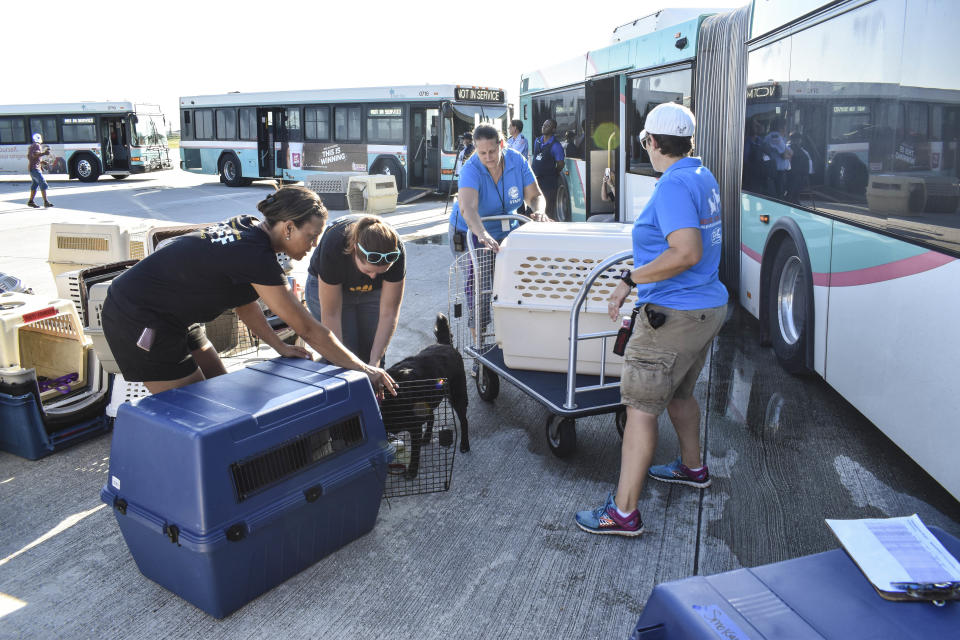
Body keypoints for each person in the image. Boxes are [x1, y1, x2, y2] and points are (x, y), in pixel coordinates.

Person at [575, 102, 728, 536]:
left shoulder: (674, 185)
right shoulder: (702, 175)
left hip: (672, 315)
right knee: (679, 393)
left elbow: (686, 252)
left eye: (645, 140)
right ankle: (693, 468)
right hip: (704, 309)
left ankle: (623, 512)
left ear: (653, 142)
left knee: (640, 408)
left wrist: (629, 279)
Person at [100, 185, 397, 396]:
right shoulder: (256, 255)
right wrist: (364, 369)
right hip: (138, 316)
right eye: (311, 235)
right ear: (288, 228)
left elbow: (245, 304)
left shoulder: (251, 229)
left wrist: (279, 346)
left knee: (219, 385)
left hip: (176, 316)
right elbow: (308, 328)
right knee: (192, 408)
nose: (314, 245)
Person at [448, 124, 550, 373]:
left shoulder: (516, 161)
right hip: (472, 230)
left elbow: (535, 195)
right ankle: (479, 346)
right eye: (482, 153)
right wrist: (481, 233)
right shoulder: (471, 169)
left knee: (515, 282)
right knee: (480, 286)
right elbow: (468, 208)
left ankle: (515, 337)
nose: (488, 158)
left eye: (492, 152)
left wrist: (538, 211)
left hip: (506, 228)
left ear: (501, 145)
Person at [304, 216, 405, 368]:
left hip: (373, 293)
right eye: (368, 270)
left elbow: (389, 313)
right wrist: (343, 364)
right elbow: (331, 314)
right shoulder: (334, 246)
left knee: (371, 351)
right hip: (329, 288)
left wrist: (374, 363)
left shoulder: (396, 251)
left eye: (381, 272)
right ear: (355, 250)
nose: (373, 277)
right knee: (347, 354)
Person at [531, 119, 566, 220]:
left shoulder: (556, 146)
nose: (544, 127)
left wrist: (552, 172)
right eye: (544, 124)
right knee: (533, 208)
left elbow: (560, 164)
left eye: (548, 125)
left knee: (547, 210)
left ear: (553, 129)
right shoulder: (537, 141)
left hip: (548, 183)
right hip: (535, 181)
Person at [764, 118, 792, 198]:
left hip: (779, 172)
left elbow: (790, 153)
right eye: (785, 126)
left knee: (781, 194)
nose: (786, 129)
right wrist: (787, 154)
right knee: (778, 197)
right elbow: (784, 154)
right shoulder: (775, 136)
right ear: (781, 127)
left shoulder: (779, 137)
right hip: (776, 173)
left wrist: (788, 153)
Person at [26, 133, 53, 208]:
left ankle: (31, 201)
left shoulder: (32, 146)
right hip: (35, 169)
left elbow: (32, 157)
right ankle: (46, 202)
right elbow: (35, 154)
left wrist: (42, 162)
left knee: (35, 185)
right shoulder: (36, 145)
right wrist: (44, 153)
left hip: (32, 169)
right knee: (42, 183)